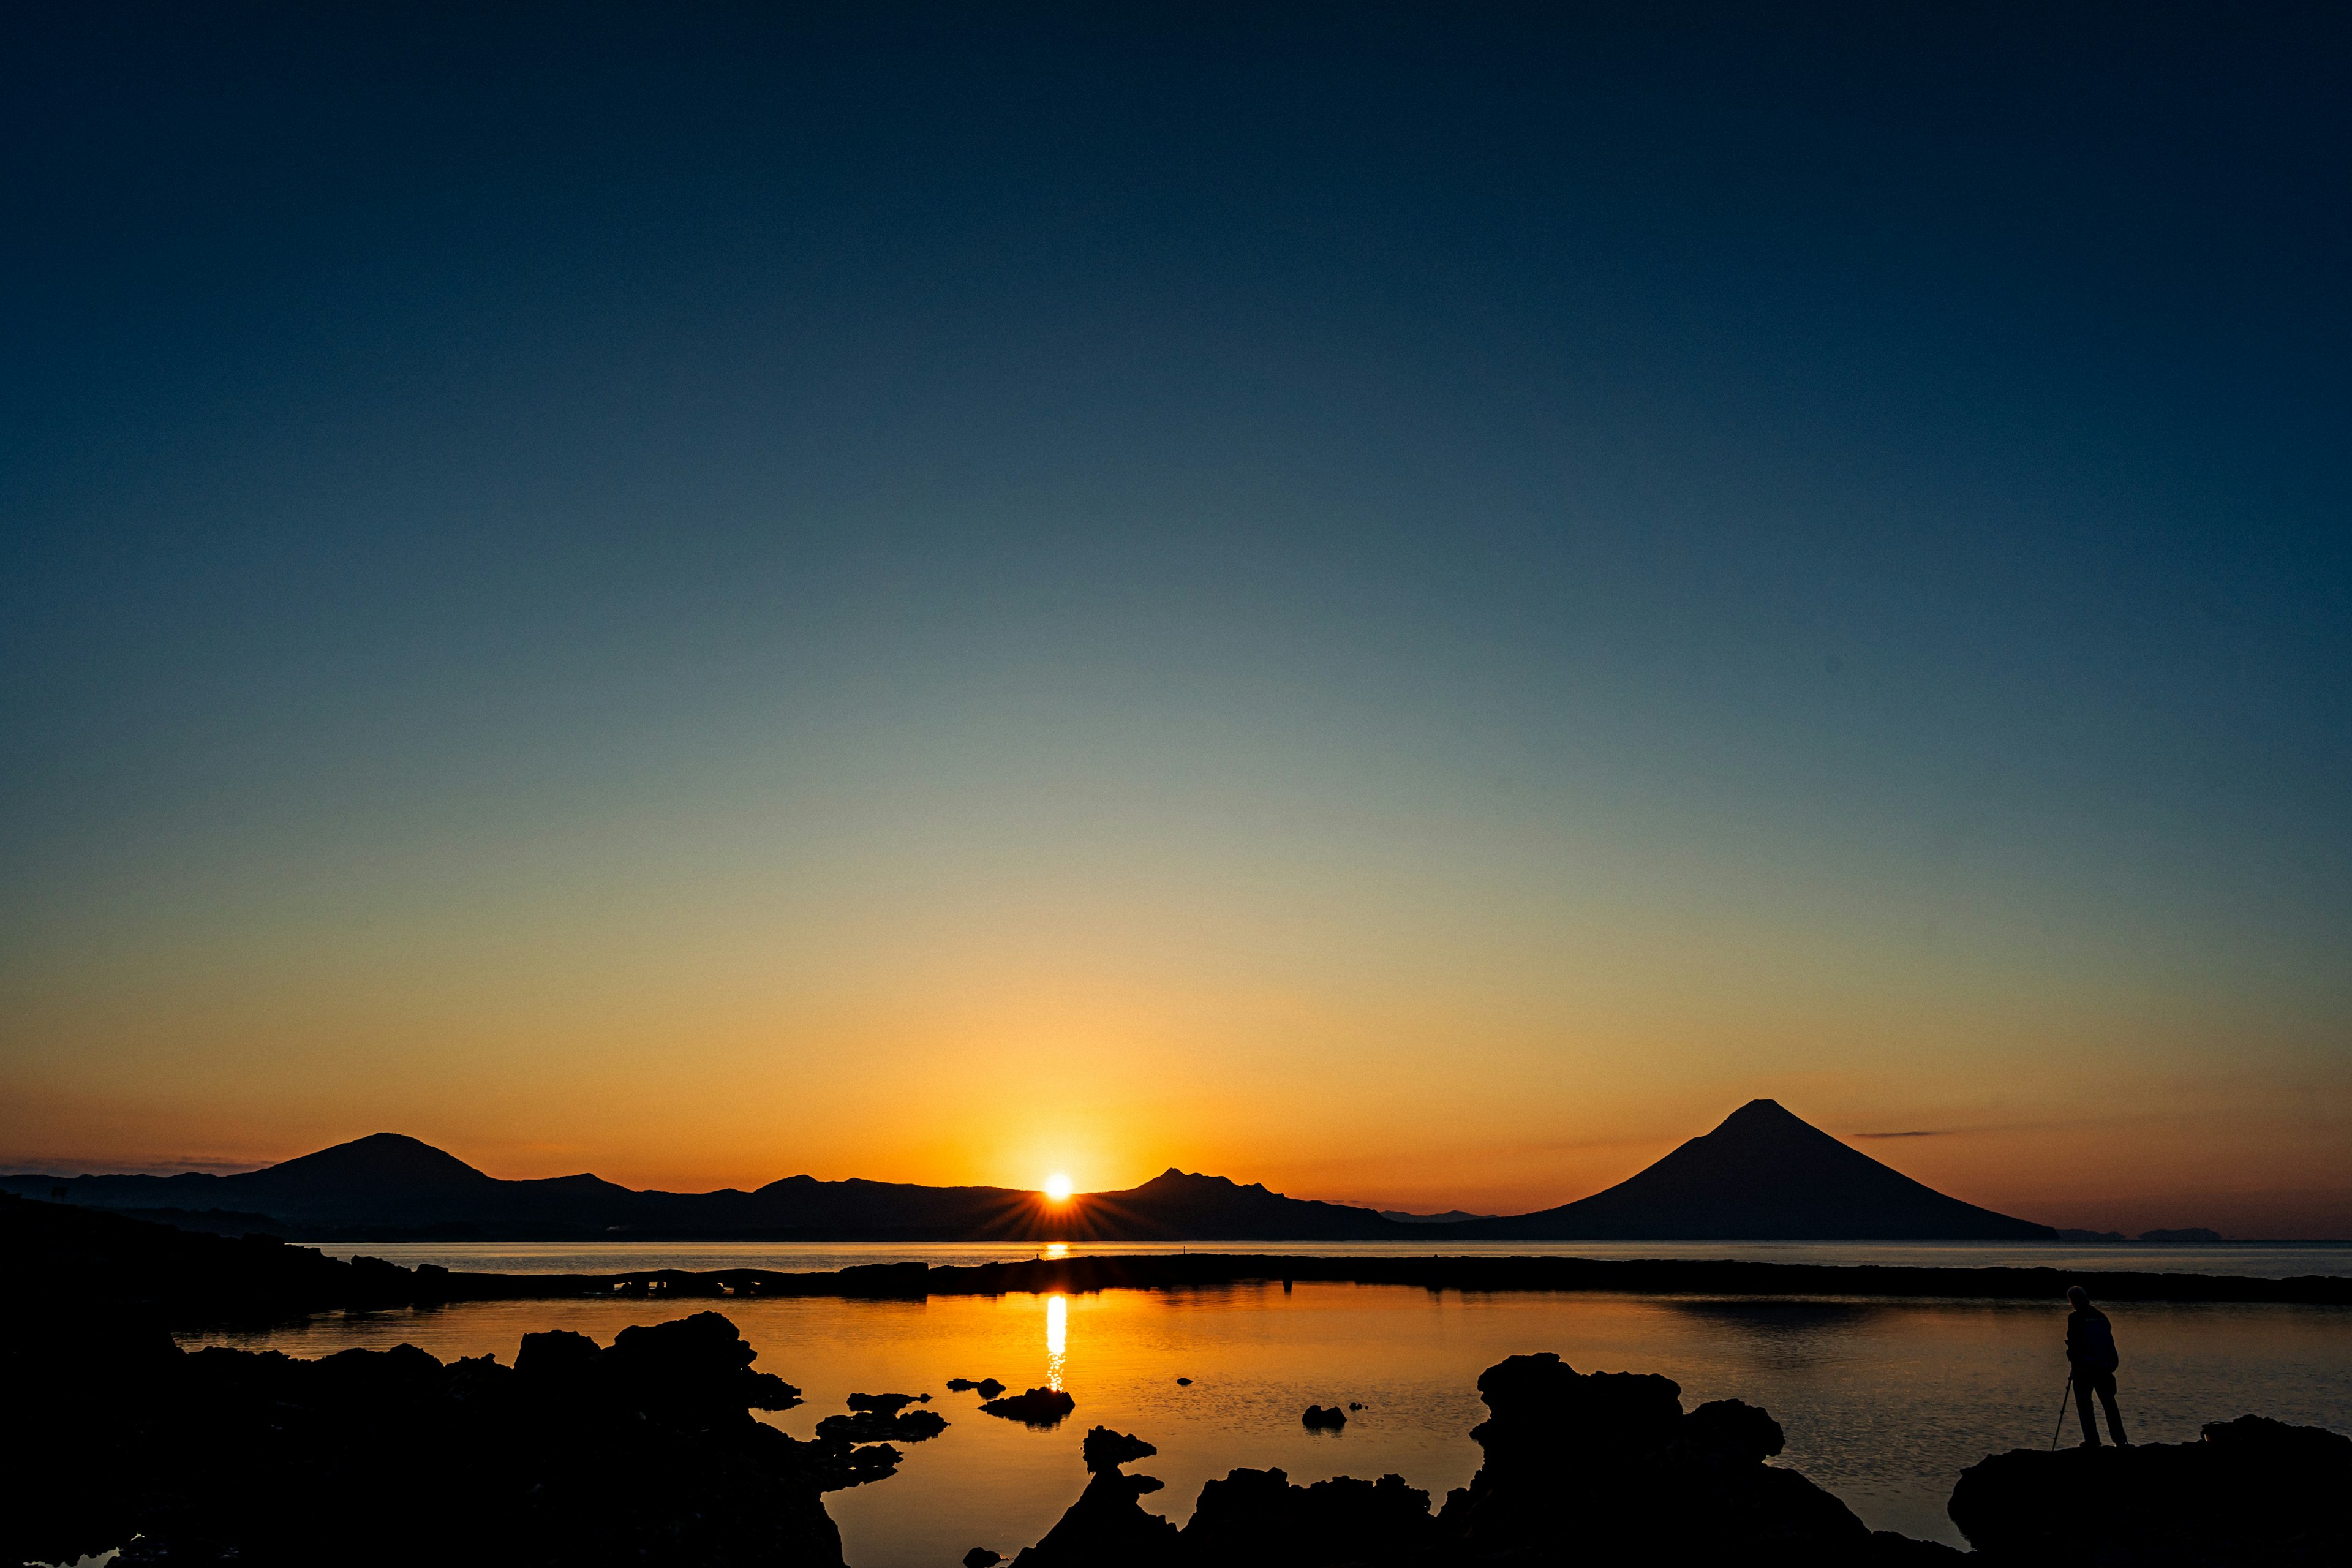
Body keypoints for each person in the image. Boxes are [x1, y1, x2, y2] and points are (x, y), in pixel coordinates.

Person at [2064, 1285, 2128, 1447]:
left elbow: (2074, 1344)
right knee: (2109, 1404)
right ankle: (2120, 1440)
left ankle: (2092, 1440)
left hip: (2084, 1368)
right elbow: (2108, 1342)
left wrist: (2073, 1357)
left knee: (2085, 1405)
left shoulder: (2075, 1318)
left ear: (2073, 1301)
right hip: (2104, 1367)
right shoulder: (2100, 1316)